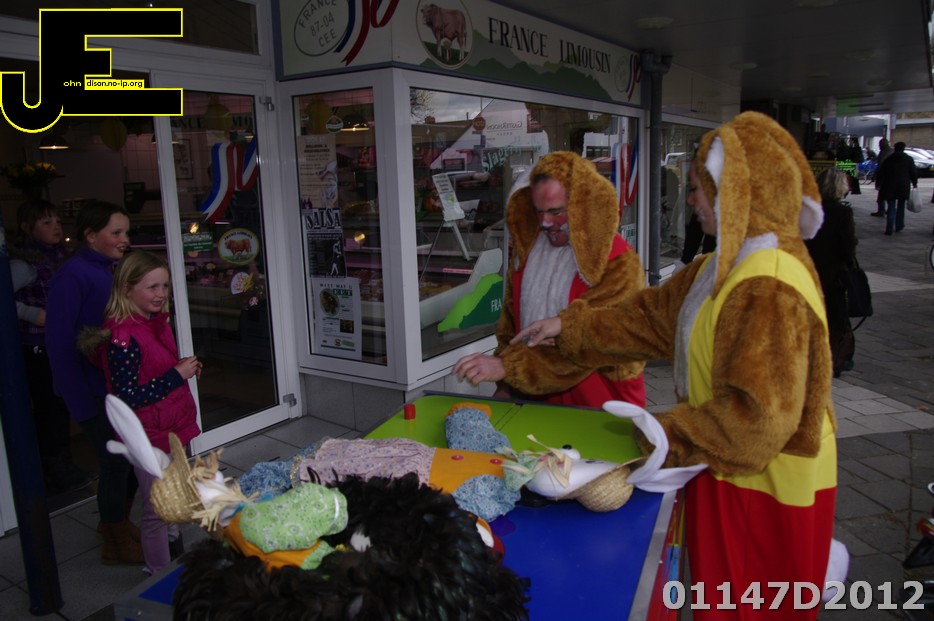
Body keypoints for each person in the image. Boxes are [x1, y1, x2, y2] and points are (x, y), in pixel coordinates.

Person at [513, 112, 839, 620]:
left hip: (764, 489)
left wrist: (663, 437)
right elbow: (648, 319)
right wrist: (568, 327)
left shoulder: (769, 284)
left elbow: (757, 423)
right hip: (722, 466)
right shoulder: (718, 266)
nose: (689, 200)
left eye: (696, 189)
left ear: (735, 192)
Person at [453, 150, 646, 408]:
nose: (545, 223)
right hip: (535, 403)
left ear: (582, 207)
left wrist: (507, 368)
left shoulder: (617, 261)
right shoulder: (529, 253)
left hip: (604, 407)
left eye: (556, 211)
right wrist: (507, 386)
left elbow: (593, 343)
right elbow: (510, 326)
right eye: (539, 211)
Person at [83, 250, 201, 575]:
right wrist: (176, 375)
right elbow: (127, 398)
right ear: (126, 289)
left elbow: (153, 370)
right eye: (152, 287)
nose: (161, 294)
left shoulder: (153, 323)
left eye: (165, 286)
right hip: (147, 437)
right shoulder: (122, 340)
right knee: (157, 510)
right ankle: (158, 573)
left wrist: (180, 368)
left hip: (167, 428)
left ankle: (173, 548)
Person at [45, 201, 143, 565]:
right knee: (116, 462)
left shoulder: (107, 270)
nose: (124, 239)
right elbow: (60, 344)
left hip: (114, 388)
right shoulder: (73, 275)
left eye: (126, 232)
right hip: (92, 392)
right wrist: (81, 398)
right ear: (90, 235)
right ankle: (115, 543)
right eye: (116, 232)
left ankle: (115, 523)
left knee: (132, 458)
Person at [8, 200, 93, 494]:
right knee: (49, 410)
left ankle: (64, 465)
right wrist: (33, 314)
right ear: (27, 228)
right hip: (37, 347)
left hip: (57, 344)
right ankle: (54, 471)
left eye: (57, 220)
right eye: (46, 222)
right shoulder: (23, 265)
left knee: (60, 407)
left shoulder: (57, 258)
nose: (56, 227)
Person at [806, 167, 858, 377]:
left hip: (808, 270)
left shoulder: (809, 209)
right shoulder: (842, 213)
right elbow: (848, 245)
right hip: (832, 273)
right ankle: (832, 361)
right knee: (835, 319)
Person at [874, 141, 918, 235]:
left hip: (889, 185)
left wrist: (878, 184)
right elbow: (913, 172)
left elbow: (881, 172)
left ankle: (889, 228)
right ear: (903, 148)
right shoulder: (908, 159)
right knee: (901, 206)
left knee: (891, 206)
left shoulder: (889, 159)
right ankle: (899, 225)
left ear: (895, 148)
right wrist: (915, 183)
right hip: (903, 186)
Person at [870, 137, 894, 216]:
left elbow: (880, 166)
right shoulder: (892, 151)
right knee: (889, 195)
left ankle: (881, 211)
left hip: (884, 177)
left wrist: (874, 176)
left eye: (879, 144)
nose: (879, 146)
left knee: (881, 196)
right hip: (891, 177)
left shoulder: (883, 152)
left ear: (882, 145)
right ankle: (890, 210)